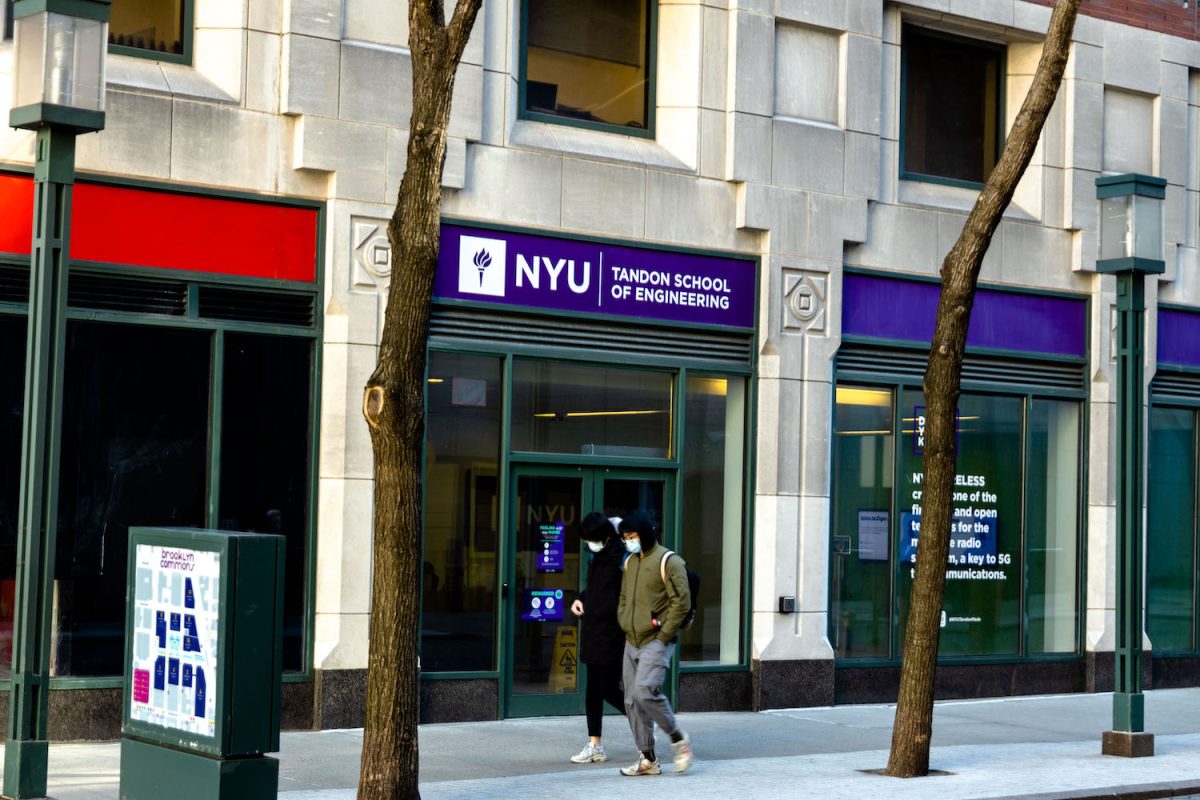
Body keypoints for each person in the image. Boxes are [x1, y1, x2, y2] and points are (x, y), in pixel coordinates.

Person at [615, 510, 693, 776]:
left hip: (655, 639)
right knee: (631, 700)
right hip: (631, 638)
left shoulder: (669, 561)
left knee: (645, 691)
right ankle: (647, 758)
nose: (628, 541)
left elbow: (681, 602)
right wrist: (624, 619)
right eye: (625, 537)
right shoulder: (630, 562)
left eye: (632, 536)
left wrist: (663, 635)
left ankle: (677, 738)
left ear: (646, 533)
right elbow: (625, 597)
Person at [568, 512, 627, 764]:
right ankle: (595, 745)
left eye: (589, 540)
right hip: (593, 630)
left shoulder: (621, 559)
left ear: (602, 536)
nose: (587, 545)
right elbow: (594, 589)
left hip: (611, 633)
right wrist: (581, 597)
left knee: (608, 688)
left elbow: (622, 596)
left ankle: (645, 718)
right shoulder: (599, 557)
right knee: (594, 689)